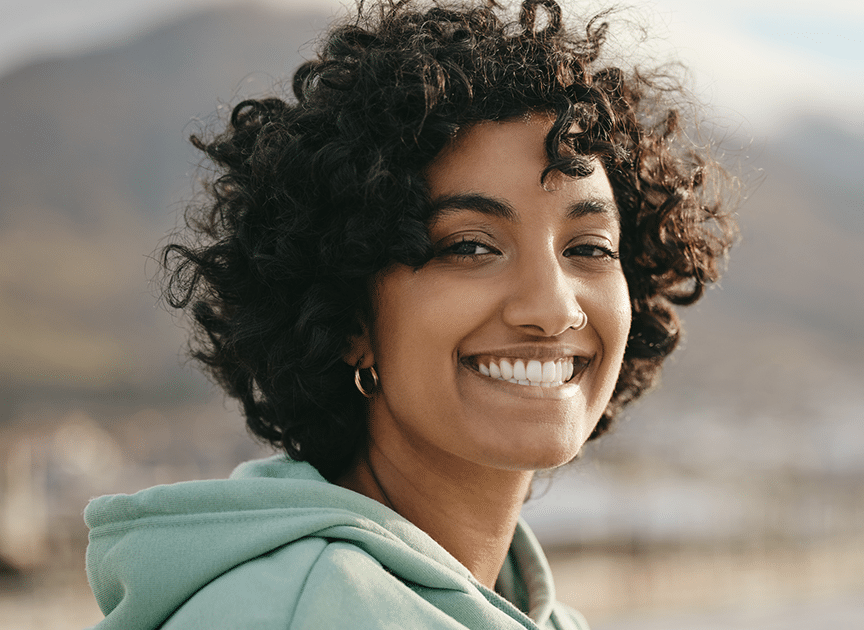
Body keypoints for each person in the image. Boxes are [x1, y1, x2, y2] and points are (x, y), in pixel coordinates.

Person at [83, 0, 736, 628]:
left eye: (589, 248)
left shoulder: (530, 612)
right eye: (470, 246)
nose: (552, 307)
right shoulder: (299, 611)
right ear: (350, 319)